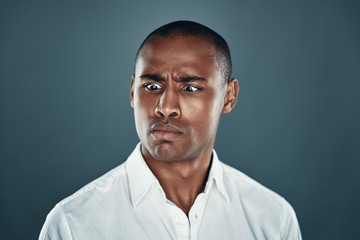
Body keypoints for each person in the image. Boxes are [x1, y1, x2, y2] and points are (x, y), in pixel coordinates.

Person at [39, 20, 302, 240]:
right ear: (132, 91)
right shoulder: (73, 225)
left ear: (229, 97)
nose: (165, 108)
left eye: (190, 88)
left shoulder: (273, 220)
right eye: (152, 87)